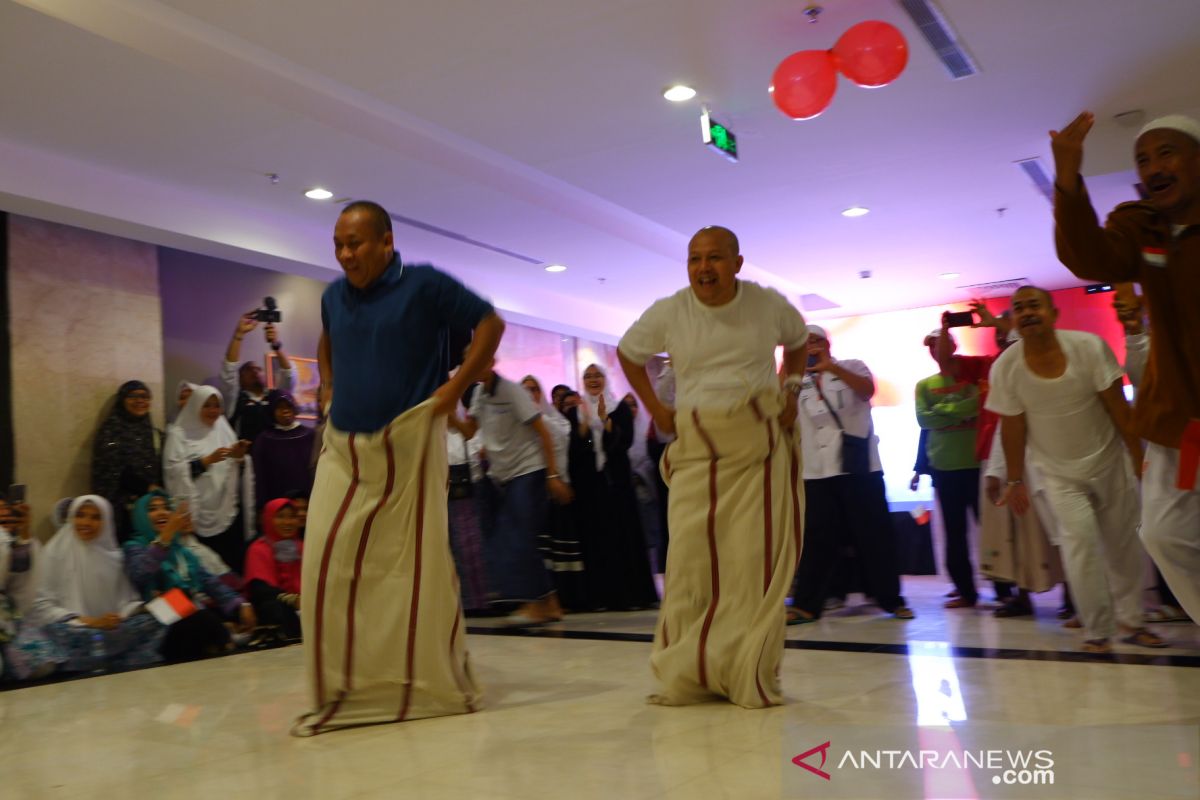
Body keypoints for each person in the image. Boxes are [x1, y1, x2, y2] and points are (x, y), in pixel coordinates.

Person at [296, 200, 504, 736]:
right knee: (321, 564)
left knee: (411, 570)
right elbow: (327, 338)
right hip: (343, 447)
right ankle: (344, 684)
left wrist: (453, 391)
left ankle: (412, 680)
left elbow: (490, 324)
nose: (345, 254)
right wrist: (328, 383)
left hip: (408, 445)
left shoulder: (425, 285)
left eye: (356, 243)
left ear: (386, 242)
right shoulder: (332, 296)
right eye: (339, 244)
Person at [618, 225, 808, 708]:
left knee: (750, 567)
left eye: (716, 258)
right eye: (695, 259)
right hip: (697, 453)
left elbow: (799, 341)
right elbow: (629, 352)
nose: (705, 268)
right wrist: (658, 412)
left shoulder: (767, 304)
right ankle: (690, 670)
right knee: (688, 564)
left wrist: (791, 388)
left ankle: (747, 670)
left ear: (737, 263)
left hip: (758, 451)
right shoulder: (670, 310)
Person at [1051, 111, 1200, 626]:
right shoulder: (1142, 225)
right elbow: (1090, 257)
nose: (1153, 165)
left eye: (1166, 152)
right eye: (1143, 158)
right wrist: (1068, 179)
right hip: (1176, 421)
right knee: (1162, 533)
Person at [987, 287, 1163, 653]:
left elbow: (1119, 409)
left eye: (1034, 305)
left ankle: (1132, 622)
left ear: (1054, 312)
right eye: (1019, 309)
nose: (1027, 313)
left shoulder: (1088, 347)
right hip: (1057, 474)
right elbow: (1013, 426)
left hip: (1109, 461)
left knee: (1123, 544)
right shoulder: (1006, 366)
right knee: (1079, 544)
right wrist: (1014, 478)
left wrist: (1137, 459)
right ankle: (1097, 630)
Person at [789, 325, 913, 624]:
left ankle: (891, 600)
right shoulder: (795, 382)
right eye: (804, 344)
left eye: (816, 341)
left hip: (858, 466)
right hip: (817, 470)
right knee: (816, 539)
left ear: (828, 344)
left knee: (874, 535)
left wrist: (830, 367)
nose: (811, 347)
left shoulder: (851, 366)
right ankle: (806, 604)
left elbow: (867, 390)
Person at [460, 362, 571, 624]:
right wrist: (446, 413)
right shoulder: (478, 395)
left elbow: (543, 432)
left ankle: (537, 603)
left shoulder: (511, 391)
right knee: (512, 538)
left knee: (521, 536)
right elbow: (469, 431)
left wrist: (553, 475)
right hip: (504, 475)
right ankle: (548, 602)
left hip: (529, 469)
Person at [12, 497, 165, 678]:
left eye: (95, 517)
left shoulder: (114, 557)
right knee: (60, 633)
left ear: (106, 522)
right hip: (72, 629)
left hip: (109, 630)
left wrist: (141, 608)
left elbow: (126, 600)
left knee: (155, 621)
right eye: (80, 515)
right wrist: (90, 621)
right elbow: (41, 606)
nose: (86, 522)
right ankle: (104, 658)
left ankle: (102, 657)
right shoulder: (54, 553)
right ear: (71, 518)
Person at [125, 491, 254, 662]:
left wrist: (240, 605)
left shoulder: (182, 552)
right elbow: (139, 574)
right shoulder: (134, 547)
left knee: (200, 611)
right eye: (153, 509)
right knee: (196, 612)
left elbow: (210, 582)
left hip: (188, 612)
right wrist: (164, 539)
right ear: (141, 516)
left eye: (166, 508)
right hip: (152, 615)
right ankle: (224, 638)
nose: (162, 512)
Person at [579, 364, 658, 611]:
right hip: (595, 486)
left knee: (625, 536)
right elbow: (583, 446)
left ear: (606, 378)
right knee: (601, 539)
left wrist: (604, 421)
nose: (593, 380)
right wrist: (587, 428)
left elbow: (623, 442)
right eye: (588, 376)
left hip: (618, 484)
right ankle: (605, 597)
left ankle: (632, 595)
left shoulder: (619, 408)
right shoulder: (580, 411)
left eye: (597, 375)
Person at [163, 385, 255, 574]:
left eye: (217, 406)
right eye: (207, 405)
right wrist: (206, 461)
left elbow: (236, 470)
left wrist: (239, 457)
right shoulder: (178, 434)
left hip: (226, 513)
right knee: (203, 573)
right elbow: (172, 472)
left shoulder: (224, 431)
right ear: (196, 405)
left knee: (231, 570)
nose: (213, 411)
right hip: (194, 518)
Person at [522, 375, 586, 611]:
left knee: (560, 546)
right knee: (540, 548)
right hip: (531, 490)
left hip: (556, 483)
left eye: (534, 389)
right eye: (525, 390)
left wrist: (554, 477)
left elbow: (562, 441)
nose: (530, 394)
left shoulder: (554, 420)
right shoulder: (519, 421)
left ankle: (568, 597)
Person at [91, 380, 163, 542]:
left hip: (147, 505)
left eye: (145, 396)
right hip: (121, 508)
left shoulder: (150, 431)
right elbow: (112, 469)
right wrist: (147, 487)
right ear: (122, 400)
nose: (140, 401)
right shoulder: (111, 430)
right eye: (133, 396)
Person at [221, 312, 297, 443]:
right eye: (248, 370)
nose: (255, 372)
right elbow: (229, 371)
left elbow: (289, 375)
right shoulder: (234, 400)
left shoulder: (275, 397)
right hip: (246, 460)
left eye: (258, 369)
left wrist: (275, 344)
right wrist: (239, 334)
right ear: (240, 379)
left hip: (275, 458)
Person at [445, 398, 489, 612]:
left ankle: (478, 600)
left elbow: (480, 457)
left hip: (469, 499)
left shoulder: (468, 433)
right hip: (443, 500)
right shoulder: (435, 436)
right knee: (450, 549)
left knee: (471, 547)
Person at [0, 497, 47, 679]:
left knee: (42, 665)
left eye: (7, 518)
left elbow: (21, 576)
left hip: (8, 618)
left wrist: (24, 535)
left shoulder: (10, 544)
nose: (5, 525)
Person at [244, 498, 304, 642]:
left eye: (292, 517)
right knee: (273, 607)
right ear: (268, 519)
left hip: (307, 604)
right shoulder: (258, 549)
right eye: (281, 517)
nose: (288, 522)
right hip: (279, 607)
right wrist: (294, 600)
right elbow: (260, 590)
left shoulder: (303, 547)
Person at [250, 390, 316, 510]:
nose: (285, 410)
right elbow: (260, 476)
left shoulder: (309, 435)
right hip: (276, 501)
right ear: (272, 411)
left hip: (307, 500)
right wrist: (262, 506)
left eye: (288, 406)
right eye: (279, 407)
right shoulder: (264, 440)